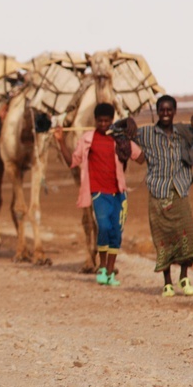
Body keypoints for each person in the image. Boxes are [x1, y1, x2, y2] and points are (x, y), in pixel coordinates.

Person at [123, 95, 193, 298]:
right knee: (163, 239)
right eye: (162, 110)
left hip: (180, 190)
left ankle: (184, 277)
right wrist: (127, 122)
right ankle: (167, 282)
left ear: (174, 111)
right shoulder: (146, 133)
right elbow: (117, 131)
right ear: (157, 111)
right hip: (158, 192)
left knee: (188, 236)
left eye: (169, 110)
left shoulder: (184, 132)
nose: (165, 114)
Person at [54, 103, 144, 286]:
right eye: (100, 121)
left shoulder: (119, 138)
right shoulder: (87, 139)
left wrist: (132, 137)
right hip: (98, 193)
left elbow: (141, 158)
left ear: (112, 121)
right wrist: (60, 140)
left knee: (116, 233)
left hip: (119, 193)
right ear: (95, 121)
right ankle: (102, 267)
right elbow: (72, 161)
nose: (103, 124)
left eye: (107, 121)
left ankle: (110, 272)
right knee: (103, 227)